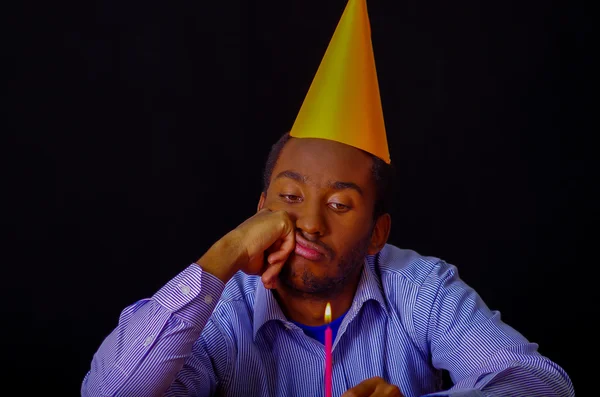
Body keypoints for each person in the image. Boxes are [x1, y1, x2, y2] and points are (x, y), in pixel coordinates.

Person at [81, 0, 574, 396]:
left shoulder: (422, 290)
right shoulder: (223, 306)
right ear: (260, 210)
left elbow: (541, 385)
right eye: (290, 196)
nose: (310, 224)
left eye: (340, 205)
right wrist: (224, 255)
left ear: (378, 232)